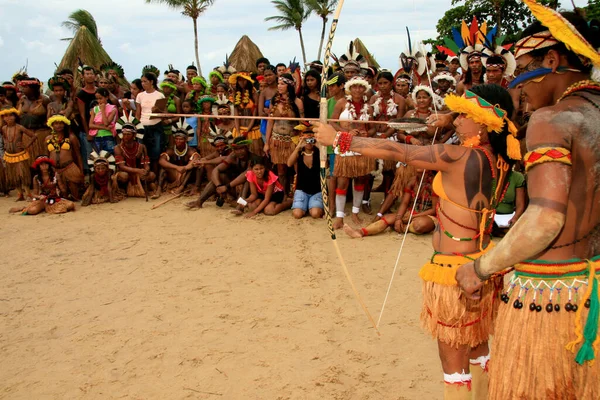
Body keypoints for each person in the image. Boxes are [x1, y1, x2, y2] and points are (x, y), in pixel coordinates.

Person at [316, 83, 522, 400]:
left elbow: (399, 151)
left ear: (481, 123)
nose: (455, 121)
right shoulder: (497, 159)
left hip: (454, 275)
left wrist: (340, 139)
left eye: (463, 115)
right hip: (482, 265)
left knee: (454, 364)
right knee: (479, 349)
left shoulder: (459, 156)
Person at [455, 6, 600, 399]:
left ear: (551, 60)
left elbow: (545, 220)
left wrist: (481, 268)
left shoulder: (551, 120)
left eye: (521, 69)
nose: (518, 85)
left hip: (553, 294)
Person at [329, 76, 374, 228]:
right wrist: (346, 131)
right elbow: (332, 122)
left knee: (360, 179)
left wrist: (368, 133)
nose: (357, 90)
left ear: (365, 89)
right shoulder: (342, 103)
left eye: (360, 87)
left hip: (361, 145)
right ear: (349, 88)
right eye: (354, 87)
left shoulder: (369, 106)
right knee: (342, 180)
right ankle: (340, 217)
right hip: (345, 144)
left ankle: (355, 213)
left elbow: (373, 127)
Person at [344, 170, 438, 238]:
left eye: (421, 173)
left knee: (420, 225)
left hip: (427, 216)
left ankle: (405, 228)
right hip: (411, 213)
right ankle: (361, 232)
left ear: (428, 172)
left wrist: (411, 218)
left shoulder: (434, 183)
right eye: (417, 172)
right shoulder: (412, 181)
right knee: (387, 218)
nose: (419, 175)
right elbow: (405, 203)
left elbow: (434, 210)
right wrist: (398, 218)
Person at [186, 136, 259, 209]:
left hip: (250, 191)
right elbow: (216, 170)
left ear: (247, 148)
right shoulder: (232, 156)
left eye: (242, 148)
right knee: (220, 176)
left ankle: (240, 205)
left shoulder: (253, 159)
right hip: (234, 187)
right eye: (237, 149)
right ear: (233, 150)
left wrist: (227, 186)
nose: (239, 151)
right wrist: (219, 186)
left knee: (248, 180)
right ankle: (199, 202)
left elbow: (245, 175)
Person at [368, 71, 407, 200]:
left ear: (392, 84)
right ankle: (365, 201)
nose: (383, 86)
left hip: (392, 137)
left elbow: (398, 121)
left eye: (385, 83)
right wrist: (374, 133)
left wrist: (385, 135)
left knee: (389, 171)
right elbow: (369, 118)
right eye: (380, 83)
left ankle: (387, 199)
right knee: (371, 169)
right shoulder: (374, 98)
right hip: (375, 136)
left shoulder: (400, 100)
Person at [264, 73, 303, 193]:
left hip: (292, 140)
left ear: (289, 86)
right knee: (281, 169)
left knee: (297, 168)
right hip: (276, 140)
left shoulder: (297, 102)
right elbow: (270, 122)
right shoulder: (274, 101)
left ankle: (298, 193)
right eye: (279, 83)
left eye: (282, 84)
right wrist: (267, 142)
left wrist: (301, 139)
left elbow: (303, 123)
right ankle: (284, 194)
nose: (279, 86)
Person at [9, 155, 75, 215]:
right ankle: (23, 208)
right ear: (38, 167)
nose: (44, 167)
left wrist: (63, 189)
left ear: (49, 165)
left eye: (46, 164)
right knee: (32, 211)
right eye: (41, 165)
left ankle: (46, 207)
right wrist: (39, 197)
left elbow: (63, 189)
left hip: (55, 199)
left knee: (71, 205)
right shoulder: (36, 178)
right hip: (43, 200)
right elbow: (34, 194)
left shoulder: (55, 175)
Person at [114, 115, 156, 198]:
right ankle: (125, 188)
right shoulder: (118, 148)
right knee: (123, 176)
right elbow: (121, 166)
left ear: (134, 135)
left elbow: (146, 163)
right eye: (124, 134)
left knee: (151, 175)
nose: (125, 136)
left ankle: (141, 186)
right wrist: (137, 170)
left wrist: (145, 170)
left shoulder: (141, 147)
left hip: (138, 173)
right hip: (127, 173)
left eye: (128, 134)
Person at [155, 119, 199, 198]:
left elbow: (195, 160)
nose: (178, 141)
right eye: (176, 139)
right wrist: (176, 167)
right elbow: (161, 160)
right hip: (174, 173)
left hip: (185, 175)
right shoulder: (171, 149)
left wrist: (185, 168)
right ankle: (159, 188)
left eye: (181, 139)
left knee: (193, 168)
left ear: (185, 140)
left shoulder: (191, 150)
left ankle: (181, 187)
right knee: (163, 168)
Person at [45, 115, 85, 200]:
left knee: (75, 195)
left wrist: (81, 171)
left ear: (65, 125)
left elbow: (78, 155)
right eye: (56, 123)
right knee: (58, 196)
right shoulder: (48, 139)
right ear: (52, 125)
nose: (58, 125)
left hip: (69, 168)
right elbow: (47, 156)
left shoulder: (71, 137)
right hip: (54, 169)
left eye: (61, 123)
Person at [325, 72, 347, 216]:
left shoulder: (349, 101)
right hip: (333, 142)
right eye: (330, 86)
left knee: (346, 175)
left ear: (341, 86)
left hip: (349, 142)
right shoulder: (327, 102)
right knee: (333, 175)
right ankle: (332, 206)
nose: (330, 89)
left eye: (333, 86)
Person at [287, 130, 324, 219]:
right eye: (306, 140)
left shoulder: (318, 152)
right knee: (297, 214)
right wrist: (298, 146)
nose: (309, 142)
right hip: (301, 190)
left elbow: (325, 165)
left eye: (311, 139)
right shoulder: (299, 153)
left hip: (316, 190)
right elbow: (289, 163)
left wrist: (319, 146)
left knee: (315, 214)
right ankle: (306, 206)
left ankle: (311, 206)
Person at [0, 108, 35, 200]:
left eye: (11, 115)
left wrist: (26, 145)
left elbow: (34, 136)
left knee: (23, 175)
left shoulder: (20, 127)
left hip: (20, 154)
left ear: (15, 117)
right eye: (6, 116)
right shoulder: (4, 128)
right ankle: (20, 194)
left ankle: (28, 194)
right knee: (13, 176)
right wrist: (6, 145)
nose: (8, 118)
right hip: (9, 156)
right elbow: (5, 139)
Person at [136, 72, 165, 176]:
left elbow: (164, 113)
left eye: (145, 81)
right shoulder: (140, 95)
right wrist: (136, 125)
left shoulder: (159, 95)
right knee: (143, 151)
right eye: (142, 82)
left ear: (151, 82)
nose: (143, 84)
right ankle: (144, 175)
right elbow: (138, 112)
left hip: (155, 125)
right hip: (143, 125)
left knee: (156, 152)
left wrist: (157, 110)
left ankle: (155, 176)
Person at [230, 72, 262, 156]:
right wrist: (237, 131)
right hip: (239, 129)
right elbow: (236, 115)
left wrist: (246, 132)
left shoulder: (254, 94)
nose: (242, 82)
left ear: (248, 81)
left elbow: (254, 115)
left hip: (252, 129)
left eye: (244, 80)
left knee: (255, 153)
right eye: (239, 80)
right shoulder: (236, 94)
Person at [17, 78, 50, 158]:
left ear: (33, 88)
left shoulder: (45, 99)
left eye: (25, 87)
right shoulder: (22, 99)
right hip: (26, 134)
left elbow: (50, 117)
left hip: (41, 133)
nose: (22, 89)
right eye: (22, 87)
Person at [75, 66, 98, 175]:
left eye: (91, 73)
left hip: (100, 128)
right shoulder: (81, 94)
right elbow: (82, 115)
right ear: (82, 76)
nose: (90, 76)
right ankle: (90, 179)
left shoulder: (99, 91)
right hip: (87, 130)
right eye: (87, 74)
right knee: (89, 155)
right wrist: (87, 131)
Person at [493, 169, 526, 236]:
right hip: (490, 217)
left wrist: (515, 218)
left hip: (509, 218)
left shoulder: (517, 177)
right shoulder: (488, 175)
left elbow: (520, 204)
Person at [89, 88, 117, 154]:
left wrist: (103, 111)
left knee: (109, 157)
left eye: (100, 98)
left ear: (106, 97)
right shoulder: (94, 109)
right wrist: (104, 128)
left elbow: (106, 123)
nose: (99, 101)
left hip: (108, 137)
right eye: (97, 99)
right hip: (97, 137)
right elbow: (90, 125)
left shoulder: (113, 108)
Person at [159, 79, 183, 149]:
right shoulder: (159, 97)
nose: (165, 88)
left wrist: (170, 120)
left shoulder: (176, 100)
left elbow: (179, 116)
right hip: (160, 126)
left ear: (172, 88)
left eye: (168, 87)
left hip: (172, 126)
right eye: (164, 86)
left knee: (171, 146)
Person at [258, 65, 277, 144]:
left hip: (280, 127)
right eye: (266, 75)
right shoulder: (264, 92)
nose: (268, 77)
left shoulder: (282, 89)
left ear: (276, 75)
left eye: (270, 75)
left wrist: (270, 112)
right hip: (266, 127)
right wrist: (270, 113)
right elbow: (260, 113)